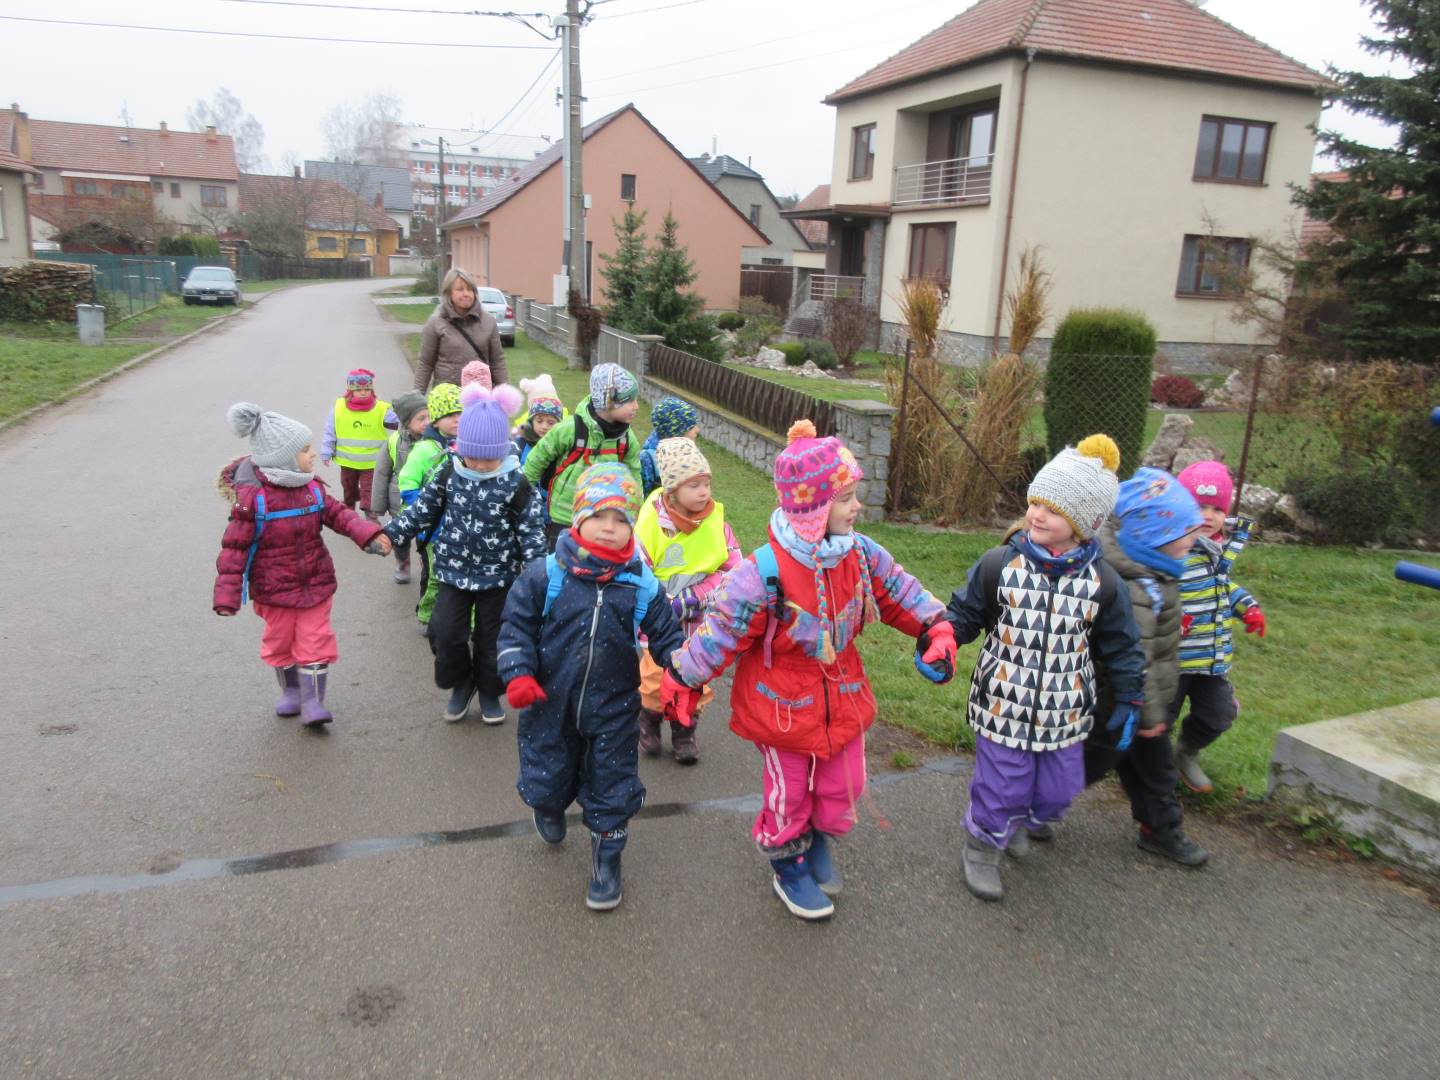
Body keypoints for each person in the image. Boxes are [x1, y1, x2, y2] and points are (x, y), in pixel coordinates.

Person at [662, 420, 955, 921]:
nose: (856, 507)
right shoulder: (762, 574)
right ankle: (788, 861)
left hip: (843, 693)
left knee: (844, 786)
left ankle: (816, 835)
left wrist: (936, 627)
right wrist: (683, 678)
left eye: (853, 495)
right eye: (845, 498)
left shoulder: (860, 554)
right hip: (780, 704)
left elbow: (899, 590)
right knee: (790, 794)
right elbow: (721, 632)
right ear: (813, 508)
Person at [943, 435, 1146, 902]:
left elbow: (1122, 646)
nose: (1036, 514)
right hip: (1003, 703)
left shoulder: (1102, 583)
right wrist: (942, 642)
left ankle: (1023, 820)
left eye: (1052, 510)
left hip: (1064, 710)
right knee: (1003, 785)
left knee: (1059, 788)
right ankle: (983, 847)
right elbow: (966, 613)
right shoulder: (1002, 564)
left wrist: (1130, 695)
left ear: (1083, 524)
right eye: (1036, 502)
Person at [498, 463, 686, 911]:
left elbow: (667, 635)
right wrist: (518, 673)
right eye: (599, 515)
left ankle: (607, 857)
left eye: (621, 519)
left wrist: (685, 673)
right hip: (549, 702)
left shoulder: (639, 582)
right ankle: (548, 806)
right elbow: (515, 626)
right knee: (548, 774)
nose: (609, 527)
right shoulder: (546, 574)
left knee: (612, 783)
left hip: (614, 706)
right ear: (578, 517)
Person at [214, 403, 390, 727]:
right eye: (305, 450)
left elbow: (341, 515)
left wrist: (369, 535)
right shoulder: (253, 500)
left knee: (315, 639)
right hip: (273, 590)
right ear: (282, 458)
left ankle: (313, 702)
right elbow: (234, 548)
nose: (313, 454)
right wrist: (227, 595)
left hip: (315, 582)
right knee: (279, 642)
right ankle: (292, 691)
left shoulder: (312, 489)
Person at [385, 384, 546, 724]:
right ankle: (462, 682)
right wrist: (389, 535)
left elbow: (531, 531)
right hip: (452, 572)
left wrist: (537, 573)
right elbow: (421, 511)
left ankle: (489, 690)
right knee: (443, 633)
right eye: (474, 457)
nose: (482, 465)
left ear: (502, 450)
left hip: (498, 577)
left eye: (491, 458)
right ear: (462, 449)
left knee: (493, 641)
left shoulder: (516, 482)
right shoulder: (449, 471)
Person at [1085, 467, 1210, 867]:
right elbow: (1136, 657)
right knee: (1085, 766)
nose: (1194, 539)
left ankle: (1160, 828)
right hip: (1118, 703)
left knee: (1154, 771)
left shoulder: (1157, 574)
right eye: (1185, 532)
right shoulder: (1138, 590)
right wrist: (1151, 714)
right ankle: (1028, 806)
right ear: (1152, 536)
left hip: (1144, 702)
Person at [633, 437, 742, 764]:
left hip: (699, 621)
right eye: (694, 485)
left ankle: (685, 729)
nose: (704, 492)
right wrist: (661, 604)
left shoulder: (717, 524)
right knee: (655, 676)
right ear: (671, 492)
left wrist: (695, 597)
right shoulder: (651, 524)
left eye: (706, 483)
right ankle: (649, 719)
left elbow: (734, 569)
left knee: (695, 676)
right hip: (657, 622)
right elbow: (637, 569)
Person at [1171, 461, 1266, 794]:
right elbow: (1150, 588)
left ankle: (1185, 752)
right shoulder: (1171, 548)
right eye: (1200, 507)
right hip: (1172, 658)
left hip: (1210, 658)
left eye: (1217, 509)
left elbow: (1222, 586)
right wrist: (1170, 614)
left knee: (1219, 713)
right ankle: (1148, 769)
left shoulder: (1218, 549)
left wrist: (1248, 607)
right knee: (1156, 719)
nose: (1208, 516)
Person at [523, 362, 642, 550]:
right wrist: (523, 495)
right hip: (565, 516)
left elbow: (634, 476)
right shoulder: (570, 429)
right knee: (561, 561)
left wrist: (636, 510)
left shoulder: (626, 440)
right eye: (630, 400)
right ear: (608, 402)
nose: (636, 406)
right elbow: (537, 459)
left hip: (604, 519)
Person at [398, 383, 463, 635]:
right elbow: (407, 484)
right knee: (437, 576)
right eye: (449, 414)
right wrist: (427, 510)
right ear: (435, 419)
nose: (456, 419)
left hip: (461, 525)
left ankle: (459, 619)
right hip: (434, 528)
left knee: (459, 576)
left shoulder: (466, 444)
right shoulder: (424, 450)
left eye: (460, 413)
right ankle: (427, 616)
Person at [369, 390, 428, 585]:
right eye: (421, 418)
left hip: (427, 500)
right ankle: (403, 562)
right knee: (401, 539)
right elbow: (381, 473)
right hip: (399, 503)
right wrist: (377, 507)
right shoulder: (393, 441)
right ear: (406, 421)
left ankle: (427, 565)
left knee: (426, 538)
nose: (428, 422)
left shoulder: (435, 441)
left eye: (430, 416)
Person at [413, 268, 506, 391]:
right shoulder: (435, 323)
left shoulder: (489, 322)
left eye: (470, 289)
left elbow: (497, 362)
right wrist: (417, 397)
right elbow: (425, 363)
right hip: (447, 397)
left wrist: (504, 395)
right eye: (460, 289)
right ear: (449, 293)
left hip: (480, 395)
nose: (466, 293)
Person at [320, 368, 391, 512]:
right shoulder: (339, 407)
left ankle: (371, 515)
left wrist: (409, 415)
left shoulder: (381, 408)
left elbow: (400, 421)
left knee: (368, 489)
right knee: (348, 487)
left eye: (367, 389)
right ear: (350, 390)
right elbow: (330, 431)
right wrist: (326, 451)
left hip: (371, 463)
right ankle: (349, 508)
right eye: (358, 389)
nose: (363, 393)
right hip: (347, 462)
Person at [638, 396, 700, 498]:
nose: (697, 430)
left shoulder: (690, 454)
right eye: (691, 426)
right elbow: (641, 496)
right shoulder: (649, 459)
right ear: (676, 431)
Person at [511, 375, 566, 468]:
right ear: (531, 421)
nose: (544, 426)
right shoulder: (521, 442)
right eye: (539, 421)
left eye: (551, 423)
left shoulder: (563, 445)